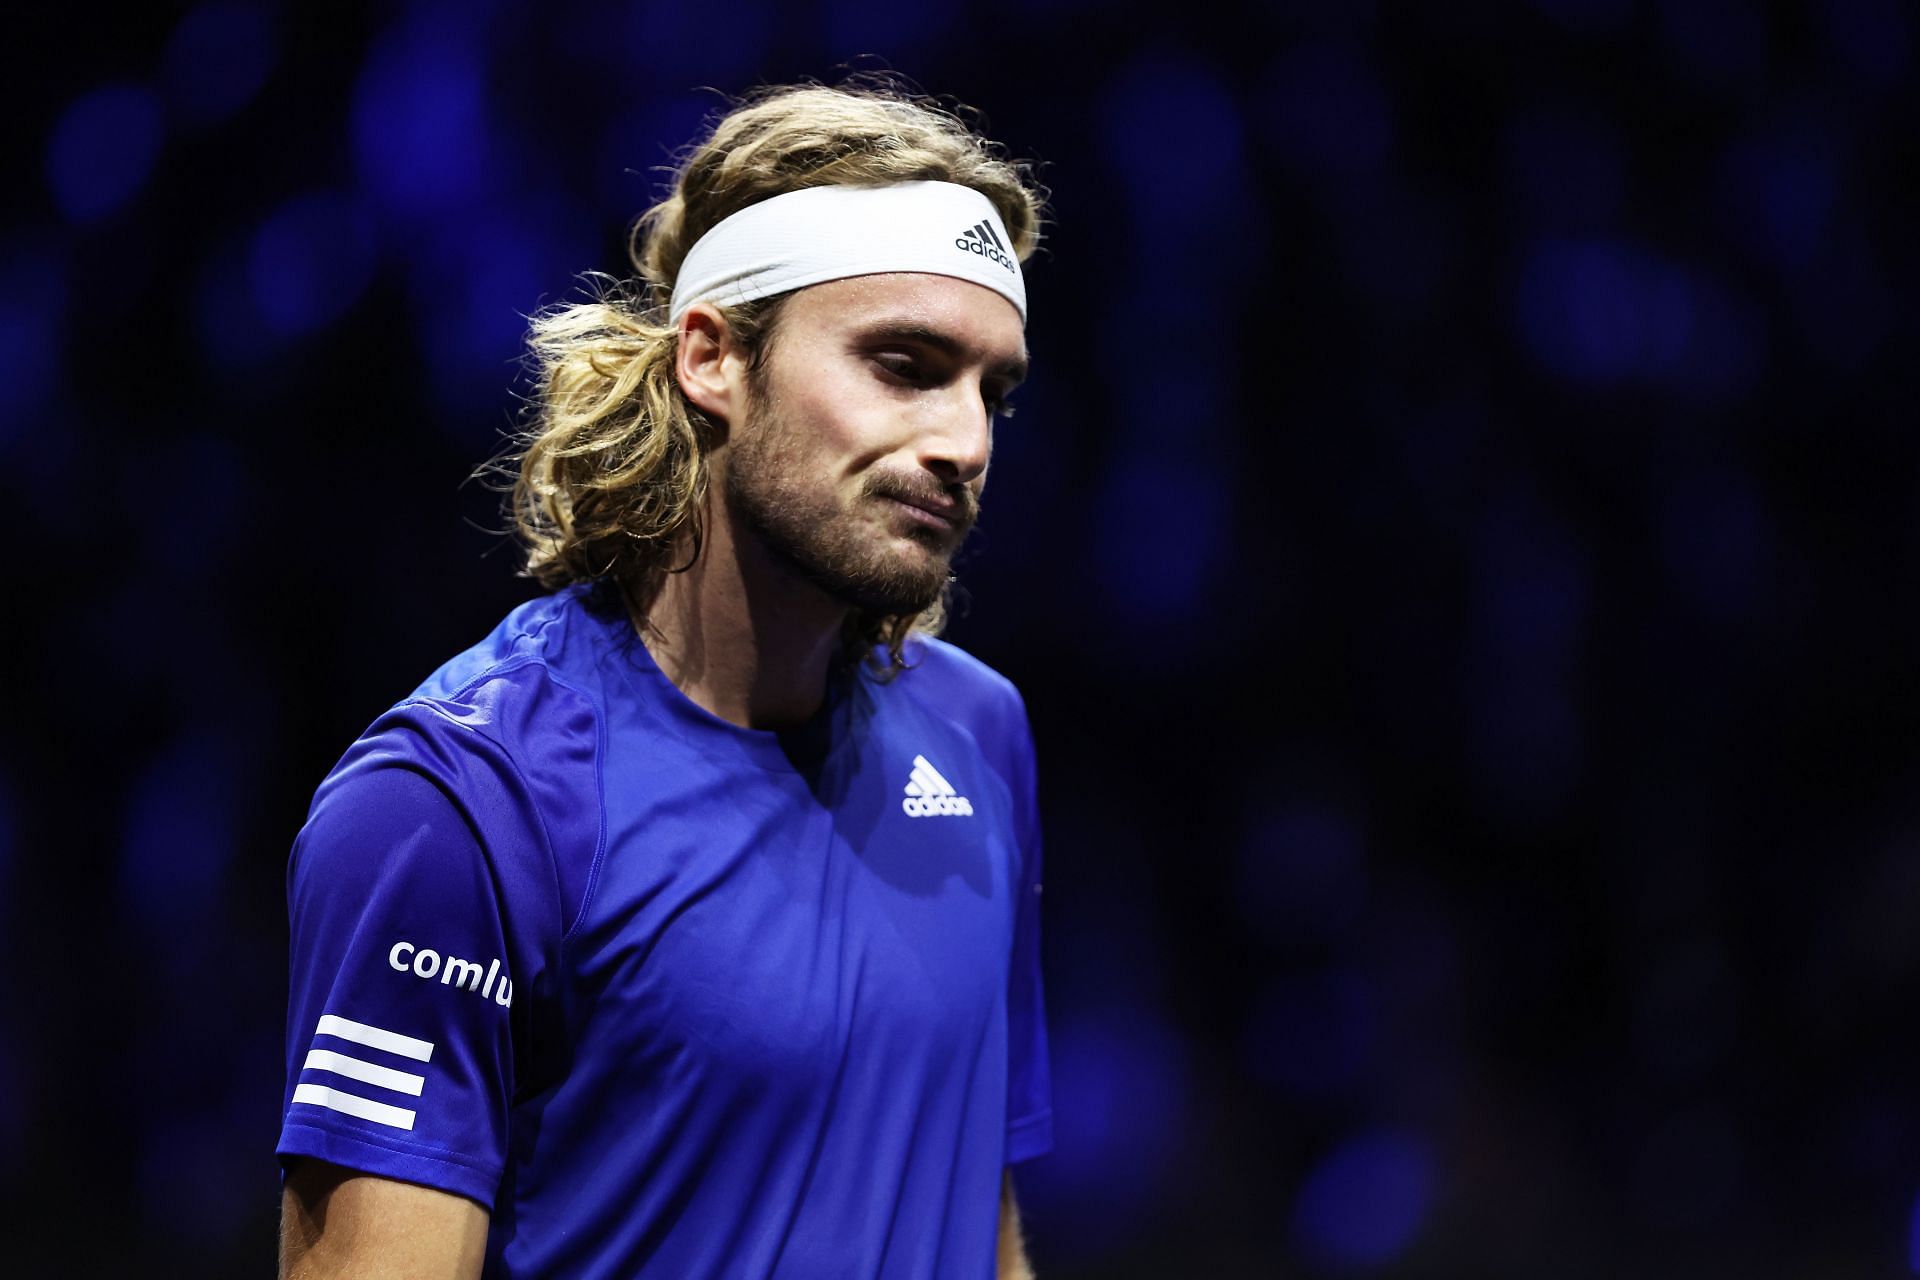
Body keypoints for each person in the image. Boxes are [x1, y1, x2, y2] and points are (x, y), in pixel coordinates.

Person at [274, 81, 1052, 1279]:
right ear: (712, 357)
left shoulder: (979, 734)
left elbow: (971, 1211)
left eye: (991, 392)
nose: (966, 443)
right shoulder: (457, 804)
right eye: (905, 365)